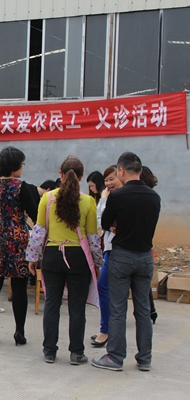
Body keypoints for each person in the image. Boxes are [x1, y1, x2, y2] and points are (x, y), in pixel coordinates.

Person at [26, 155, 102, 365]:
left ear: (60, 174)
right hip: (78, 257)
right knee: (77, 307)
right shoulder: (88, 201)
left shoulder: (48, 198)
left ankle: (49, 350)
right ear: (81, 176)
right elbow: (92, 237)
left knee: (52, 303)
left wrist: (32, 257)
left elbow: (39, 231)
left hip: (52, 255)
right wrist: (97, 263)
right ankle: (76, 352)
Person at [92, 152, 160, 372]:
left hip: (122, 256)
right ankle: (145, 358)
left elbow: (104, 223)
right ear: (139, 170)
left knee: (118, 308)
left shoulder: (118, 196)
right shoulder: (154, 197)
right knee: (143, 309)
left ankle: (115, 357)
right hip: (145, 257)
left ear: (121, 170)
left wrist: (114, 223)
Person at [0, 147, 38, 345]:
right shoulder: (21, 187)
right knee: (19, 287)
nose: (23, 167)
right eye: (22, 163)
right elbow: (35, 215)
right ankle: (19, 332)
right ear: (14, 166)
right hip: (18, 242)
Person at [90, 165, 121, 348]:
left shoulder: (119, 198)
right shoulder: (110, 197)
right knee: (105, 287)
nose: (108, 183)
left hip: (118, 249)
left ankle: (106, 331)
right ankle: (106, 329)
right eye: (106, 180)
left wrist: (103, 201)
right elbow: (101, 224)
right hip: (109, 247)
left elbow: (101, 222)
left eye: (112, 179)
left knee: (104, 287)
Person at [140, 166, 159, 324]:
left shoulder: (137, 197)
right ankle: (151, 311)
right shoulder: (154, 197)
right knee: (143, 284)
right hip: (146, 246)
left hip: (131, 248)